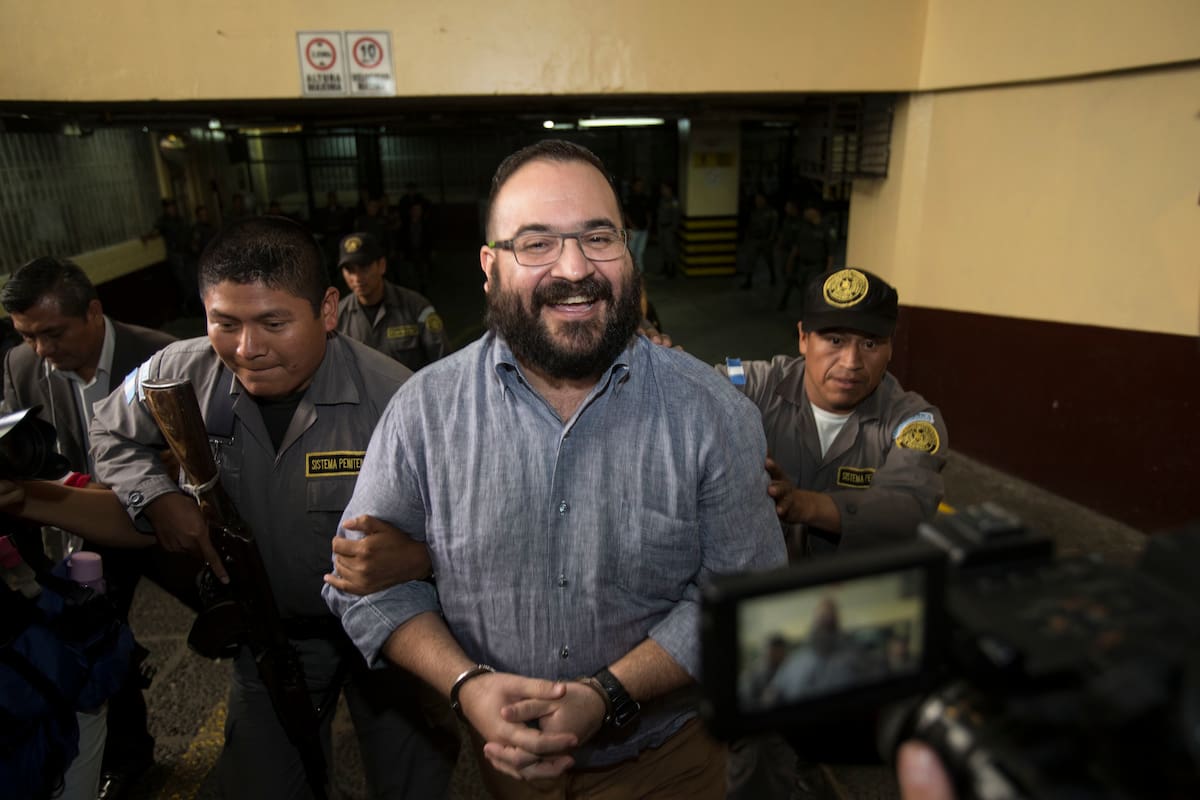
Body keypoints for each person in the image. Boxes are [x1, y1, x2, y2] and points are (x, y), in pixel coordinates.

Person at [322, 139, 787, 799]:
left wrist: (610, 696)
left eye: (598, 236)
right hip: (505, 770)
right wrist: (465, 683)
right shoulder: (425, 412)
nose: (575, 268)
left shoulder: (713, 414)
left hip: (669, 765)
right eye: (535, 243)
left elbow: (746, 600)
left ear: (629, 252)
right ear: (490, 266)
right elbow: (364, 586)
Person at [87, 216, 454, 799]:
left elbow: (478, 519)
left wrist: (419, 557)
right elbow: (108, 432)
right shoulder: (178, 373)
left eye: (273, 323)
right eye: (224, 323)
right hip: (273, 638)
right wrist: (156, 498)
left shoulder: (401, 399)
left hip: (391, 638)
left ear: (327, 310)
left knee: (410, 781)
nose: (247, 349)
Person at [0, 256, 175, 798]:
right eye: (27, 336)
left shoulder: (161, 358)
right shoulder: (21, 368)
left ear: (94, 312)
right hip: (84, 529)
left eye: (52, 333)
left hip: (164, 518)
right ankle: (127, 760)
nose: (42, 352)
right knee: (92, 640)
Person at [723, 267, 948, 559]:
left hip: (852, 593)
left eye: (870, 344)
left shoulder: (912, 420)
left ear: (890, 347)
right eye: (835, 341)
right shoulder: (753, 385)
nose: (851, 362)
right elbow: (686, 388)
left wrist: (804, 505)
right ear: (803, 338)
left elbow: (908, 506)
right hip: (756, 587)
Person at [336, 231, 449, 371]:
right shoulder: (337, 317)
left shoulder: (416, 307)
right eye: (350, 270)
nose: (357, 278)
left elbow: (443, 363)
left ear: (382, 265)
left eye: (364, 268)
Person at [777, 203, 835, 312]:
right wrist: (790, 262)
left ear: (815, 211)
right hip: (802, 265)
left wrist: (828, 271)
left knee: (810, 294)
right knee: (803, 294)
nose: (805, 213)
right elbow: (797, 247)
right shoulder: (803, 226)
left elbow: (831, 253)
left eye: (808, 210)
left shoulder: (826, 228)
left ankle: (808, 321)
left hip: (816, 266)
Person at [740, 193, 778, 290]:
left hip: (765, 240)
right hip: (754, 240)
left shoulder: (771, 212)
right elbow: (750, 226)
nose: (758, 201)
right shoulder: (754, 212)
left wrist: (771, 239)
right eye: (757, 199)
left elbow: (774, 227)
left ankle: (773, 277)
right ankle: (748, 281)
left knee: (769, 260)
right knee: (751, 261)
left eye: (760, 199)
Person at [655, 181, 681, 278]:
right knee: (663, 249)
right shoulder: (662, 200)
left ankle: (672, 270)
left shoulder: (673, 201)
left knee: (671, 249)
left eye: (664, 188)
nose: (662, 191)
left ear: (669, 189)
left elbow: (676, 216)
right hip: (662, 228)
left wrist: (674, 229)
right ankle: (665, 268)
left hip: (669, 228)